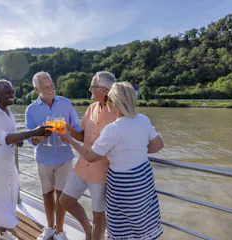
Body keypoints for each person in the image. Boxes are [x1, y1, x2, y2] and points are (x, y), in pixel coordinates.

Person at [58, 82, 164, 240]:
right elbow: (158, 145)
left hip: (123, 184)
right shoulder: (143, 120)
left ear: (116, 104)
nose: (107, 104)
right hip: (143, 180)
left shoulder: (113, 129)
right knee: (142, 222)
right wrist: (136, 149)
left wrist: (69, 140)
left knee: (121, 226)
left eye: (109, 101)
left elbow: (91, 156)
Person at [0, 79, 52, 240]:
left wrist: (18, 140)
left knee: (9, 192)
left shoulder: (6, 110)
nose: (11, 95)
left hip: (4, 157)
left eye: (12, 92)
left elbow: (9, 134)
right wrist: (33, 132)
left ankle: (3, 231)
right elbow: (4, 137)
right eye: (7, 92)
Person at [59, 71, 117, 240]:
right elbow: (82, 136)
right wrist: (67, 128)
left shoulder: (118, 112)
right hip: (83, 165)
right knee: (66, 200)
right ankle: (88, 230)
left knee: (99, 216)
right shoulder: (91, 108)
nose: (90, 88)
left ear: (105, 90)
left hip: (102, 171)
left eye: (94, 86)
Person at [25, 71, 82, 240]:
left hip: (65, 156)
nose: (51, 90)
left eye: (52, 86)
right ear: (37, 90)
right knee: (46, 193)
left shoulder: (65, 103)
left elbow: (77, 129)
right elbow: (31, 139)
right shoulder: (31, 110)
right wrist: (39, 137)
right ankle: (49, 227)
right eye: (46, 87)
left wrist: (68, 133)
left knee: (62, 195)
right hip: (44, 157)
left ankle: (60, 230)